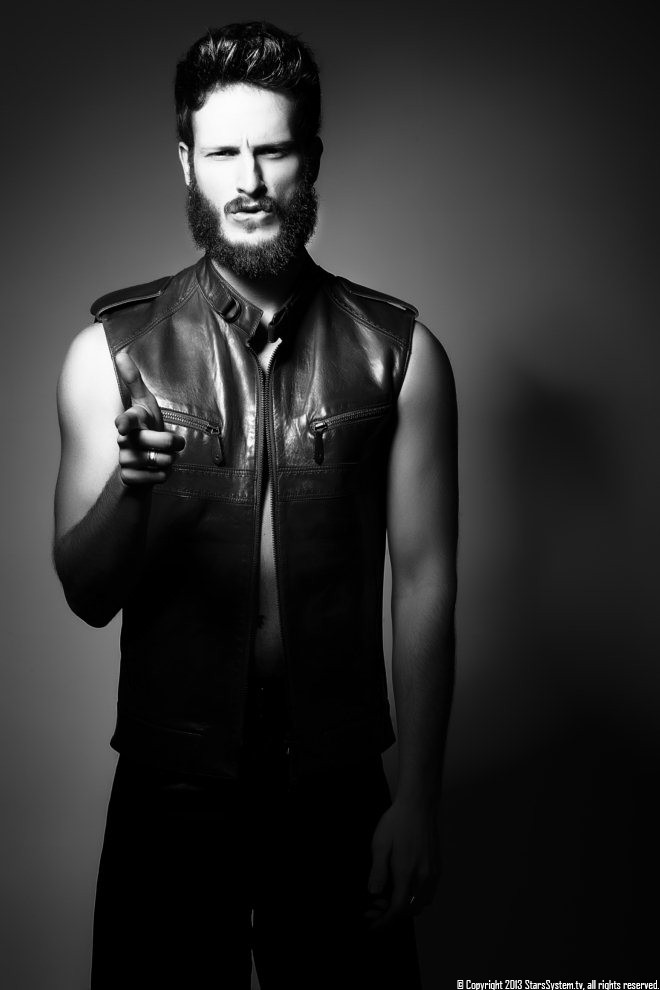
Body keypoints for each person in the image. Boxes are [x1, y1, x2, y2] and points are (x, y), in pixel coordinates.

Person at [53, 21, 457, 990]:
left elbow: (425, 585)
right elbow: (87, 593)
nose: (249, 181)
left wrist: (417, 800)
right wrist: (133, 490)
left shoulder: (401, 354)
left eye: (272, 151)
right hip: (171, 781)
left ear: (310, 157)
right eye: (224, 153)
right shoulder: (110, 354)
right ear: (185, 162)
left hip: (336, 779)